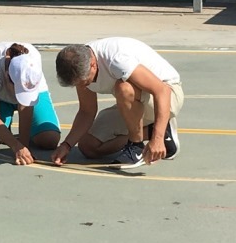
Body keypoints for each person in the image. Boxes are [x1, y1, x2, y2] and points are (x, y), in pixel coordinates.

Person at [51, 37, 184, 169]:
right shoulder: (81, 65)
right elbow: (87, 111)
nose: (83, 87)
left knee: (124, 88)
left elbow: (162, 91)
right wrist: (66, 145)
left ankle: (136, 147)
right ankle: (159, 132)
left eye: (84, 82)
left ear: (93, 64)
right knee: (88, 146)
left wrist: (157, 139)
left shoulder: (117, 60)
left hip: (169, 96)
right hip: (137, 101)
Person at [0, 42, 61, 165]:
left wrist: (23, 146)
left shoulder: (33, 59)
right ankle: (4, 127)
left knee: (49, 139)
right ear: (7, 76)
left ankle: (7, 132)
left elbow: (26, 106)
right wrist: (16, 147)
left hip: (32, 94)